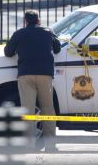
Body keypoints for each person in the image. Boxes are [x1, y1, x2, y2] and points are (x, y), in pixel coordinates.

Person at [4, 10, 62, 152]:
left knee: (28, 110)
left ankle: (28, 145)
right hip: (45, 75)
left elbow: (8, 52)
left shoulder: (19, 33)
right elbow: (58, 49)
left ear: (25, 21)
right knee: (48, 108)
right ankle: (50, 145)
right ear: (38, 20)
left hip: (26, 75)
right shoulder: (48, 32)